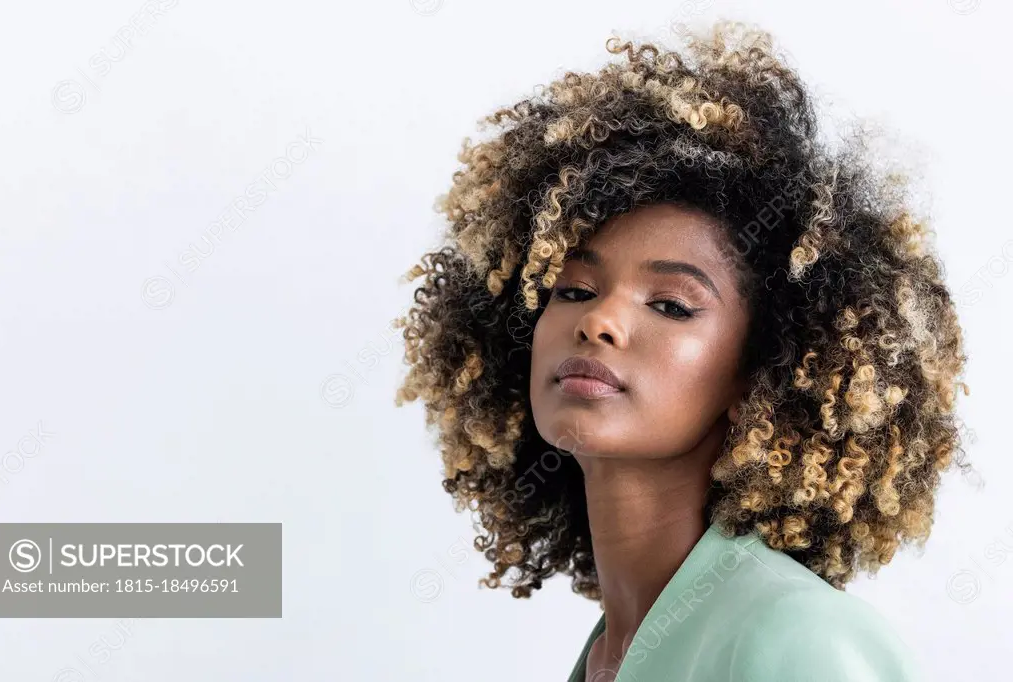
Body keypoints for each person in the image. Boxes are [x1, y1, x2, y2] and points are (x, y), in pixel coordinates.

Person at [394, 20, 970, 682]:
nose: (600, 320)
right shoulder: (608, 656)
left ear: (761, 377)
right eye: (574, 289)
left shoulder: (797, 641)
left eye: (669, 305)